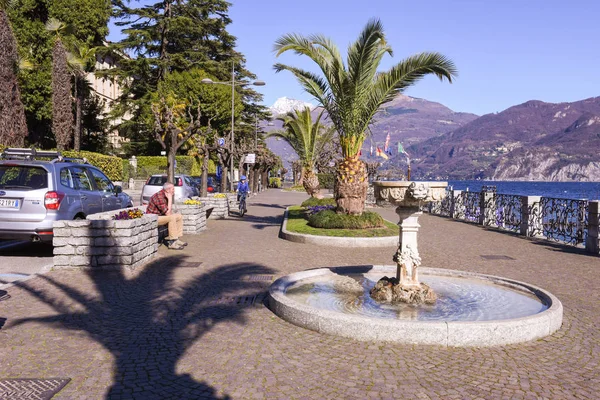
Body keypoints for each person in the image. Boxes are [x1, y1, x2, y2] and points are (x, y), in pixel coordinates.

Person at [146, 182, 187, 250]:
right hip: (153, 218)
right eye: (173, 189)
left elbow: (169, 212)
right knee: (171, 218)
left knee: (179, 216)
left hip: (161, 216)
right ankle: (172, 243)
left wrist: (169, 199)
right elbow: (168, 214)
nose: (174, 191)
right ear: (167, 190)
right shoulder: (159, 196)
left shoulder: (165, 195)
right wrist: (170, 199)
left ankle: (176, 239)